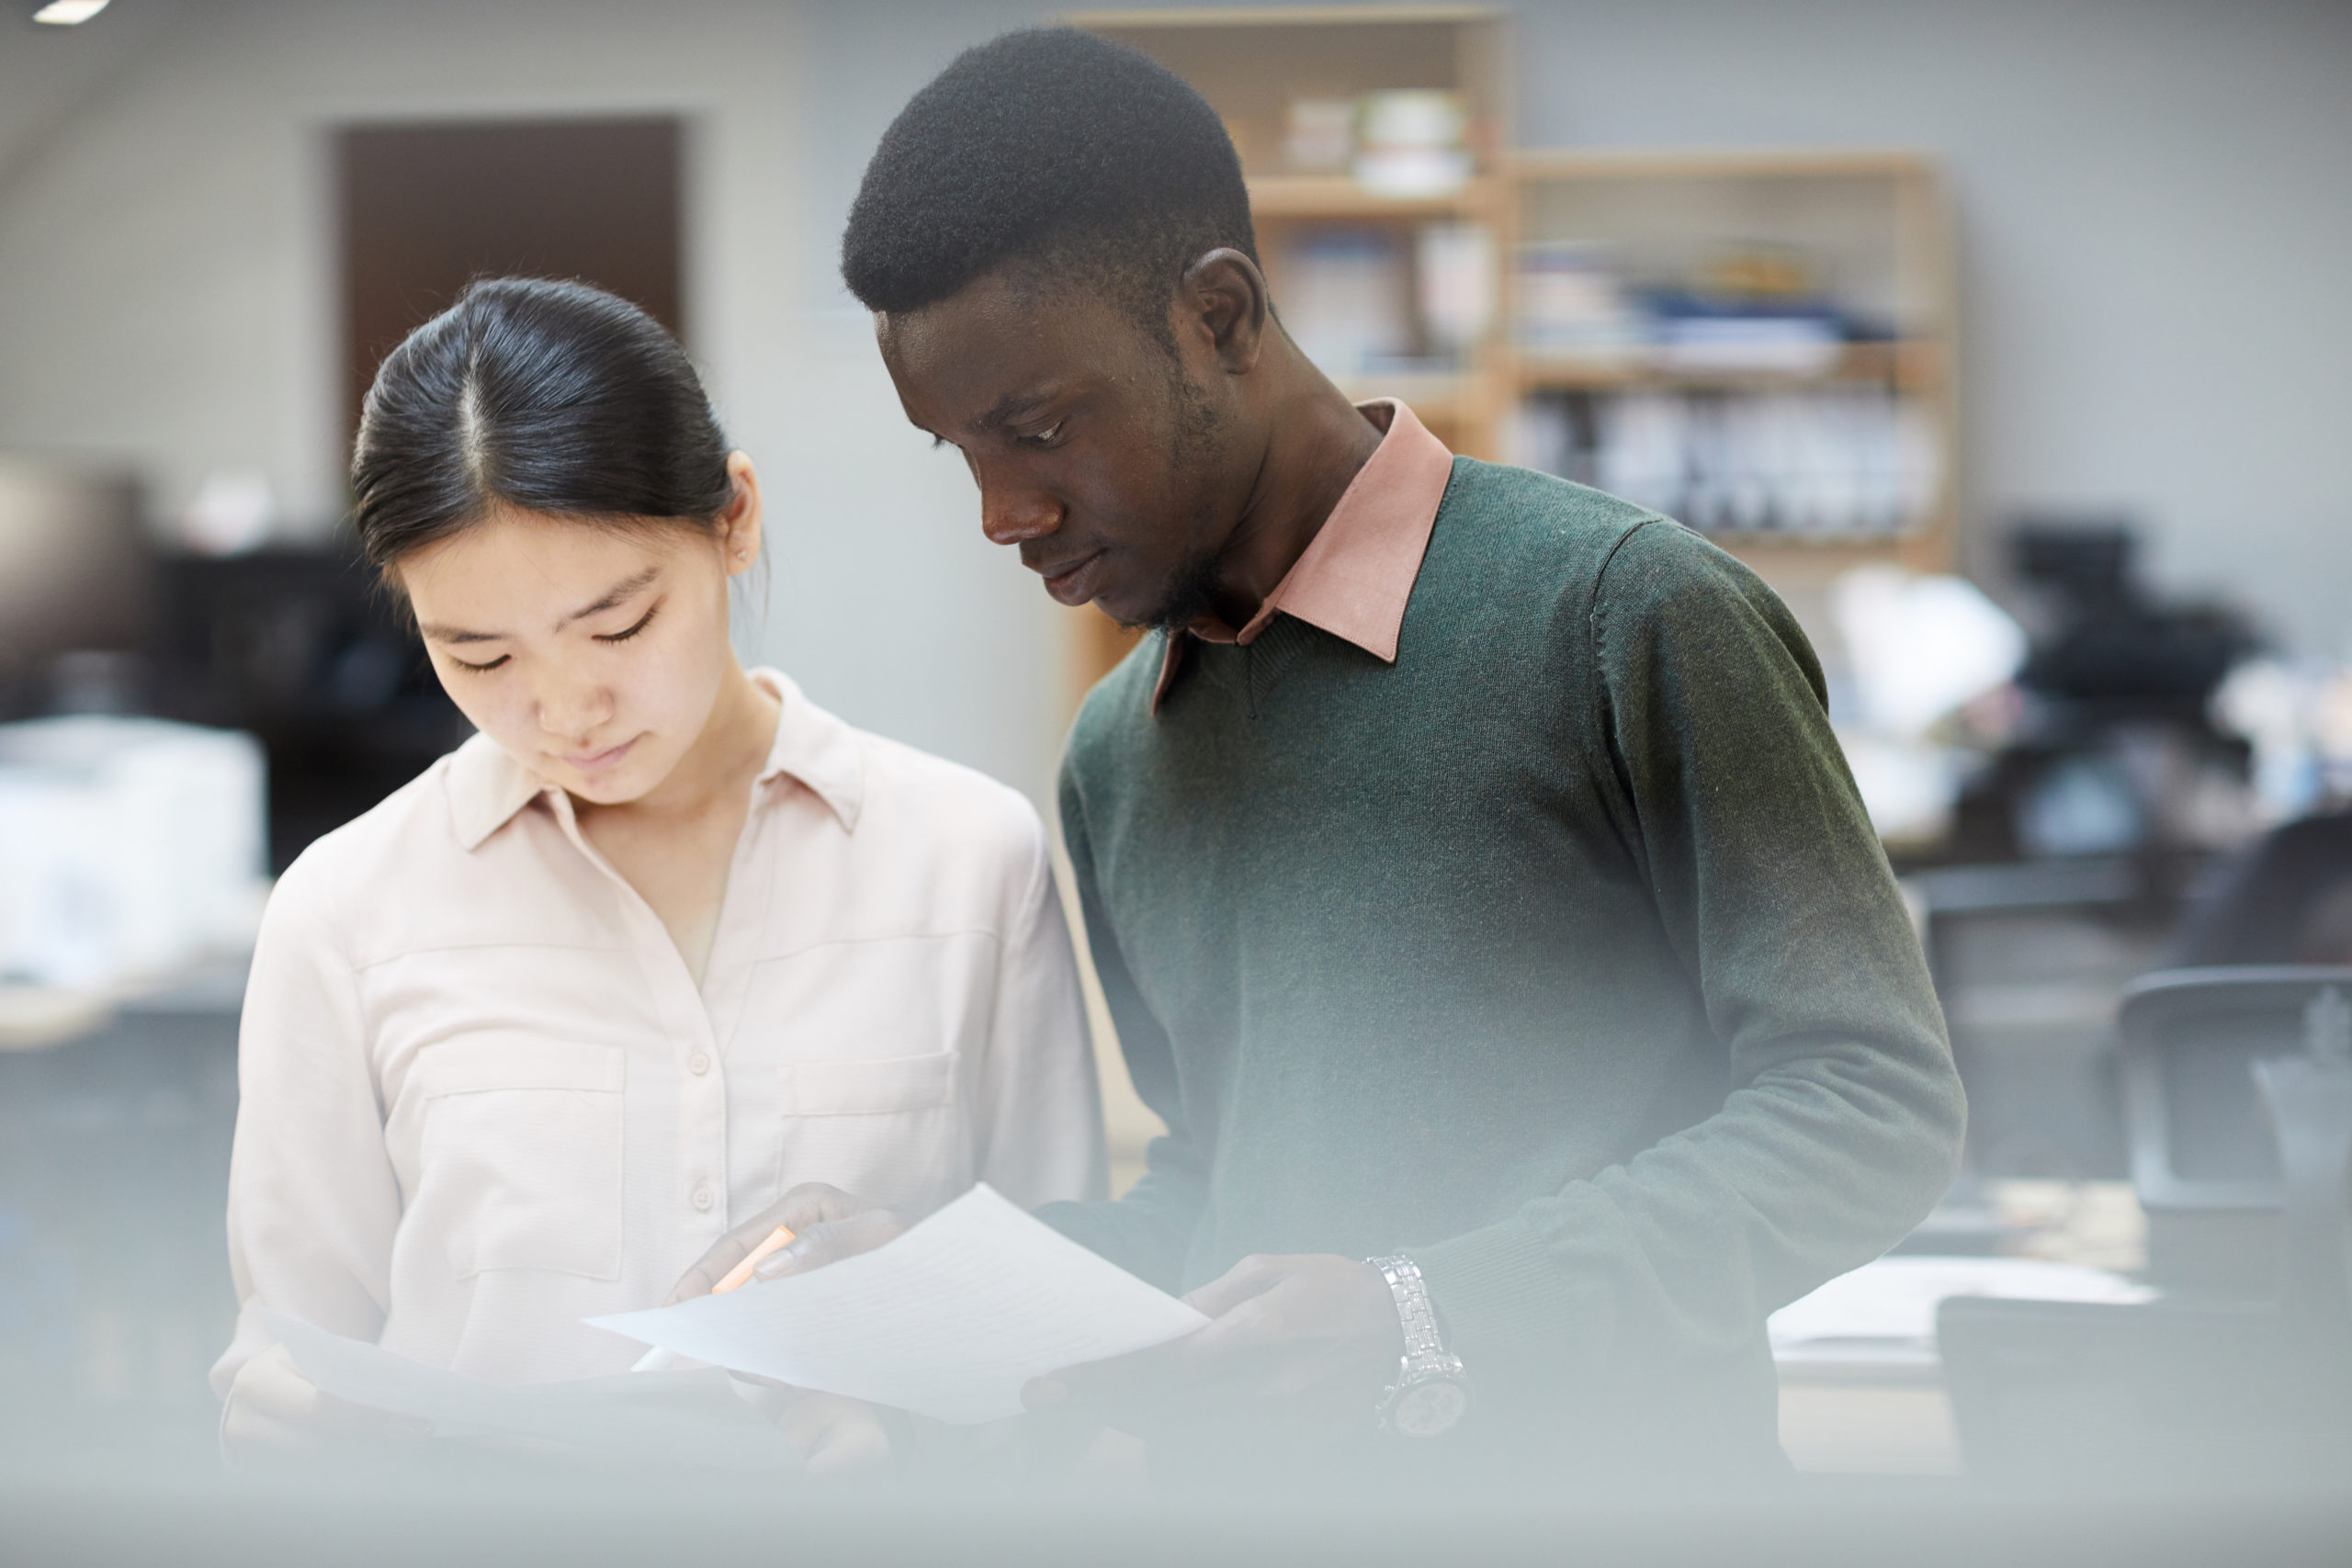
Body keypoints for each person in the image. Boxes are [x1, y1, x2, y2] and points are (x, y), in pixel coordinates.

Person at [688, 28, 1966, 1488]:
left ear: (1218, 319)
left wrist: (1430, 1316)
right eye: (959, 453)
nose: (1001, 513)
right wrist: (921, 1284)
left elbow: (1871, 1105)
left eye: (1036, 430)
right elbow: (1217, 1186)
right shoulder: (1118, 749)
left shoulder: (1625, 614)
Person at [209, 277, 1104, 1471]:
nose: (565, 707)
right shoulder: (347, 912)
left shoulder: (965, 863)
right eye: (477, 653)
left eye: (619, 626)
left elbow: (1067, 1351)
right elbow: (290, 1353)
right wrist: (279, 1422)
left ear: (733, 520)